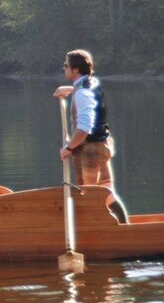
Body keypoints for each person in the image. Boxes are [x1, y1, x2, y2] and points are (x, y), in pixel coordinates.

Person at [53, 49, 127, 222]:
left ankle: (105, 231)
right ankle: (124, 228)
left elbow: (85, 127)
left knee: (90, 196)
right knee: (107, 194)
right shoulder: (90, 83)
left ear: (75, 69)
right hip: (101, 146)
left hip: (91, 151)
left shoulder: (82, 93)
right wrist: (70, 89)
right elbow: (85, 90)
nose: (64, 68)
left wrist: (69, 148)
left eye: (66, 65)